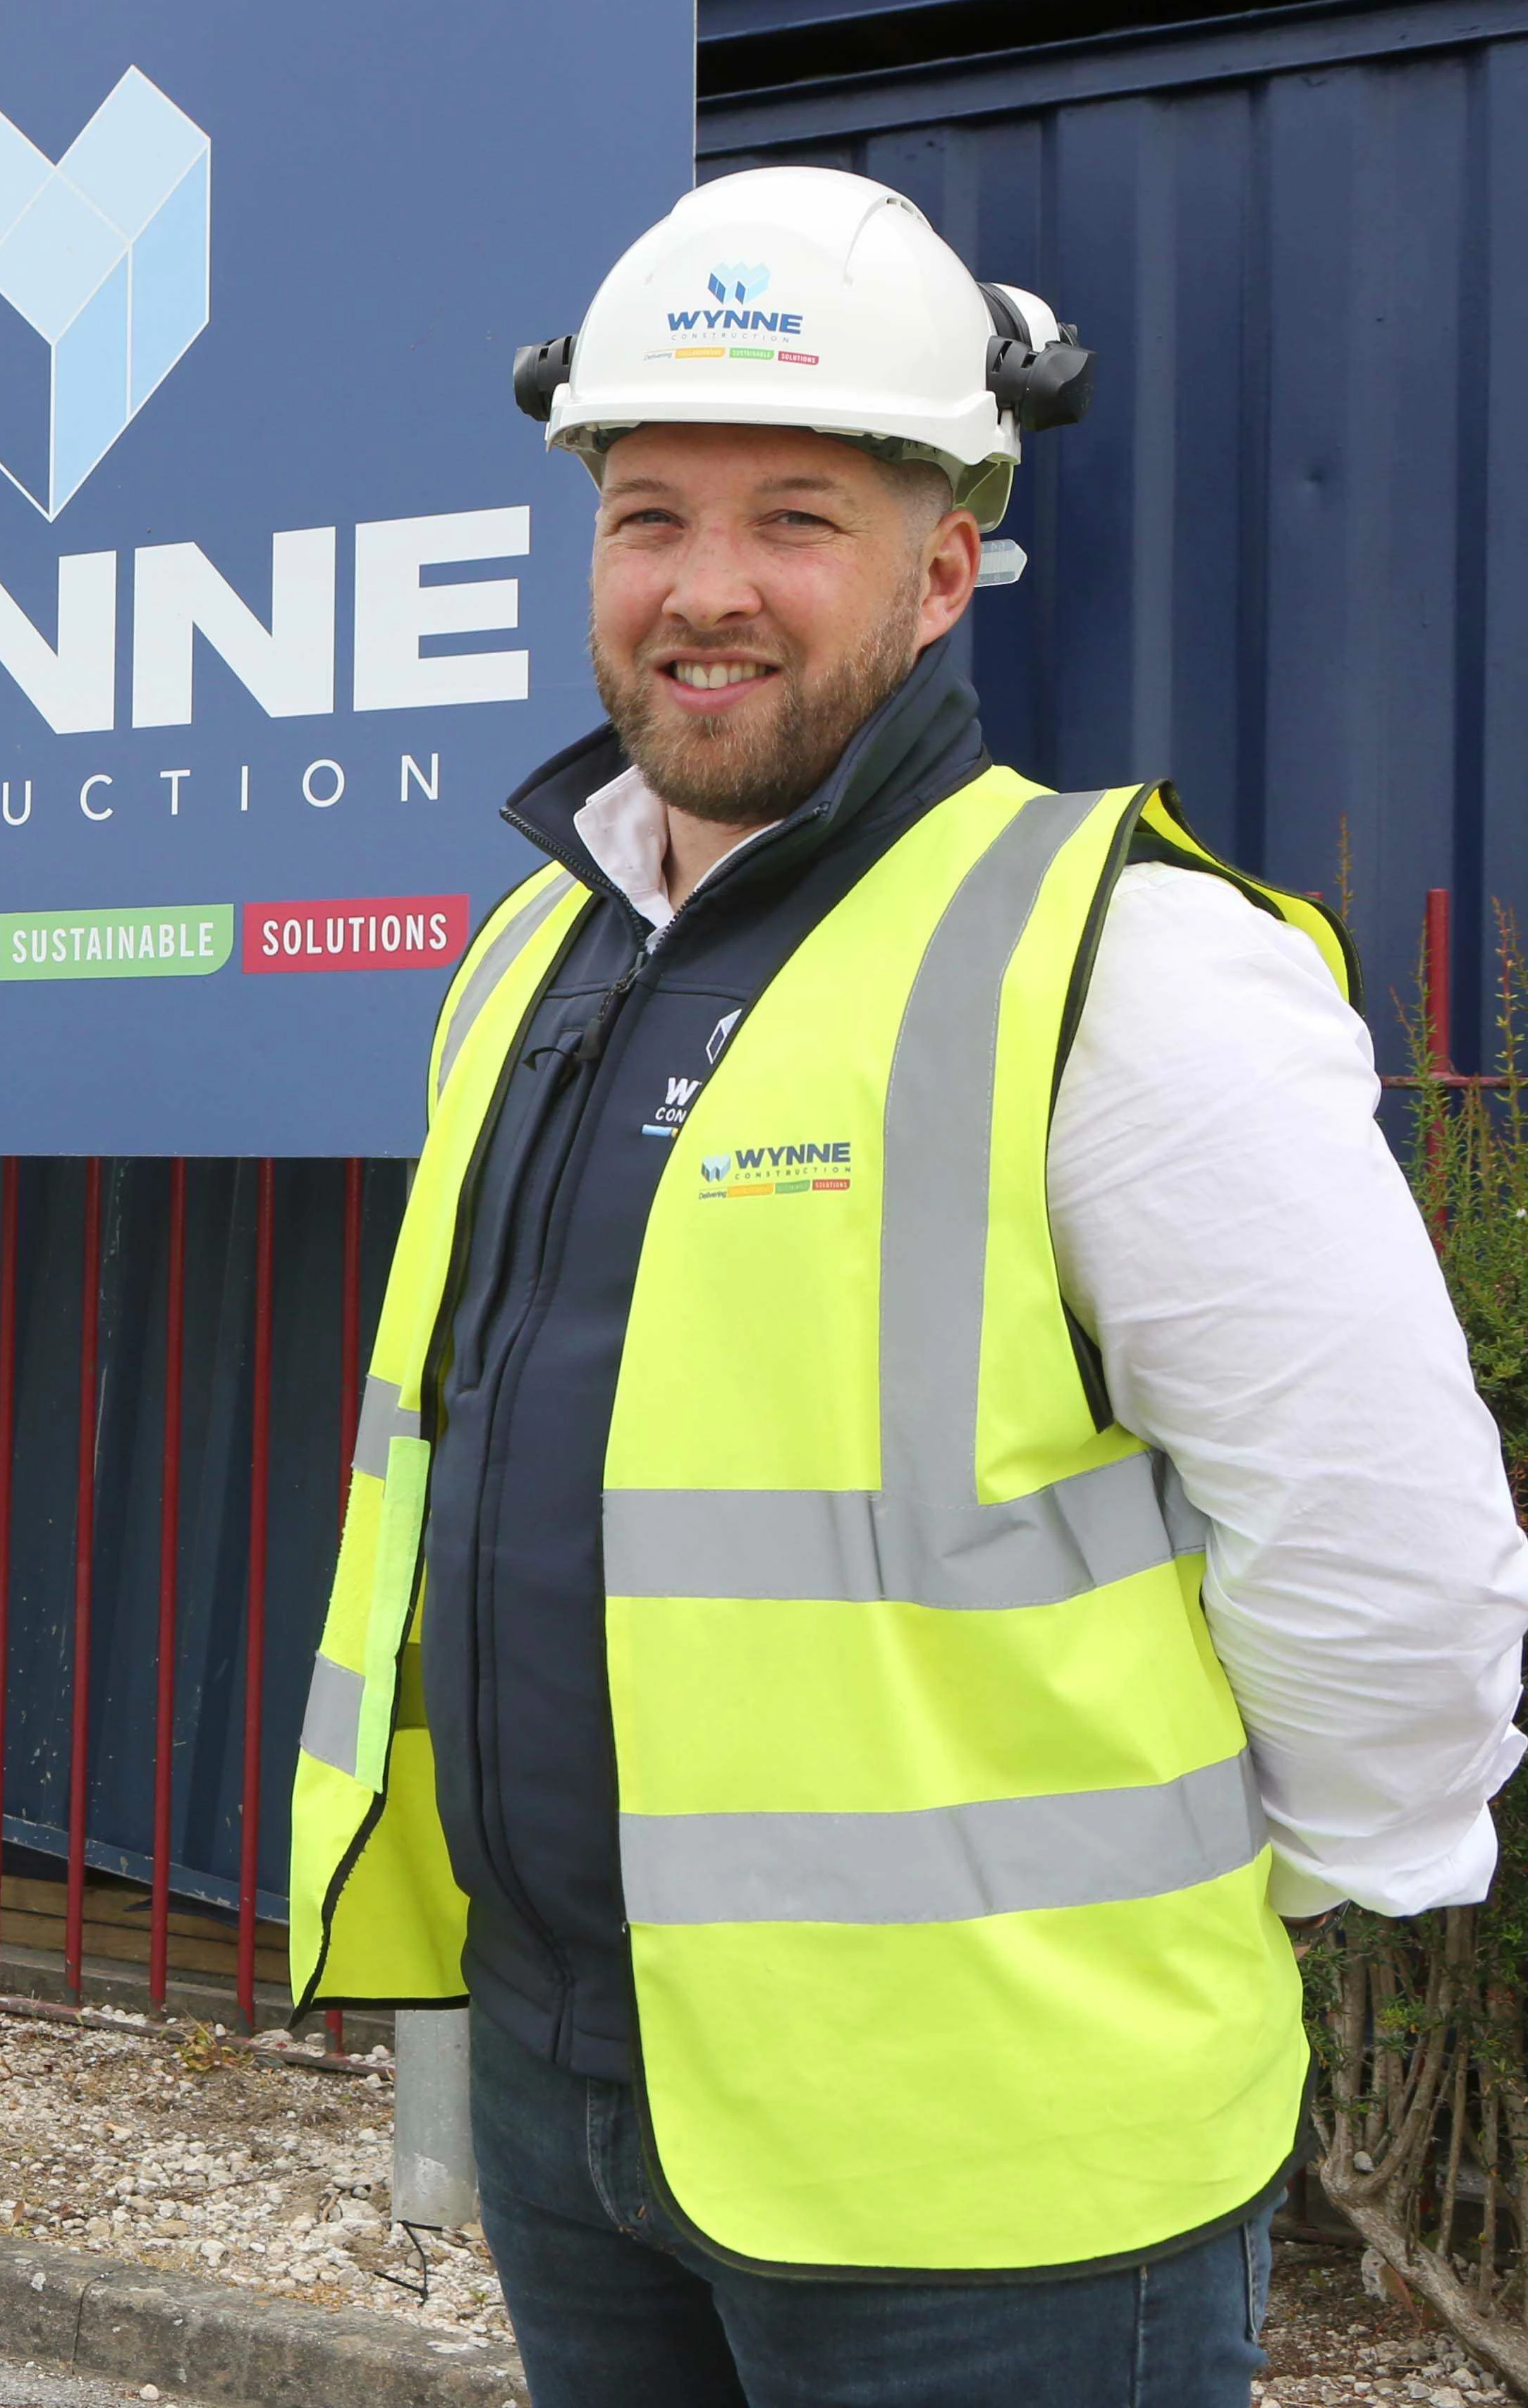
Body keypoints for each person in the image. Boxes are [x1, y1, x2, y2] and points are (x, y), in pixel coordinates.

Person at [282, 168, 1528, 2406]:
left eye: (798, 517)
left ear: (943, 568)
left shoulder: (1125, 964)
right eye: (649, 515)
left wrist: (1282, 1892)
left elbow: (1388, 1553)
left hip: (1005, 2176)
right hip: (593, 2102)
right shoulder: (529, 960)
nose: (706, 588)